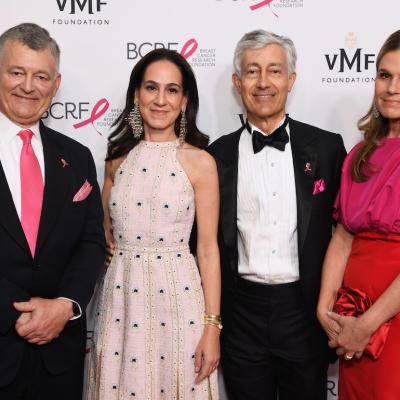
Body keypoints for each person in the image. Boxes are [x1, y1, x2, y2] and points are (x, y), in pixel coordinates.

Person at [208, 29, 347, 400]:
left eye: (274, 70)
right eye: (252, 72)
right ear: (238, 83)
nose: (263, 82)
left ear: (291, 80)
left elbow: (346, 233)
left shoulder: (328, 148)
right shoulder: (215, 156)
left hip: (305, 311)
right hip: (240, 314)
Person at [85, 48, 220, 399]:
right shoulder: (116, 158)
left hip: (179, 298)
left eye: (172, 90)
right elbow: (102, 229)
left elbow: (207, 250)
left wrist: (212, 327)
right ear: (136, 94)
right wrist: (106, 243)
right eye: (151, 88)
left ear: (185, 98)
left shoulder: (200, 161)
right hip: (120, 300)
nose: (161, 100)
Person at [0, 23, 105, 400]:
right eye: (16, 72)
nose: (28, 86)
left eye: (40, 76)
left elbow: (92, 241)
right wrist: (18, 314)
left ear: (55, 84)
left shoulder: (77, 157)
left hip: (59, 358)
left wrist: (64, 306)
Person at [318, 30, 400, 400]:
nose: (392, 88)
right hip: (351, 322)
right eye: (385, 75)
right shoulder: (360, 153)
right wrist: (325, 308)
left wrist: (367, 325)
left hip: (388, 322)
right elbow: (342, 237)